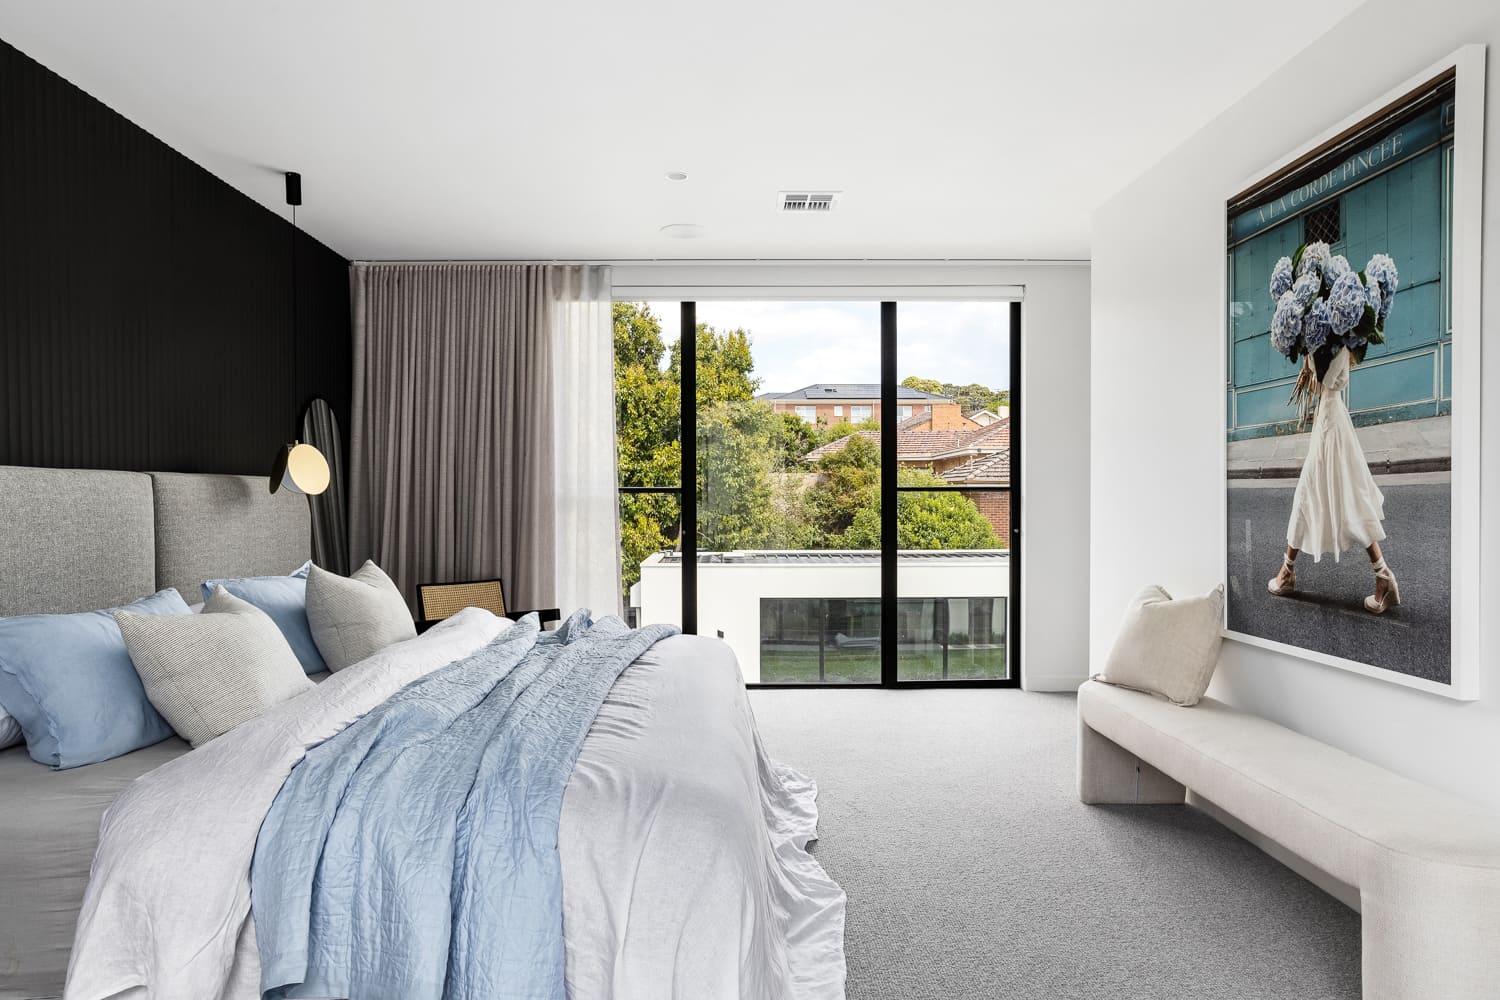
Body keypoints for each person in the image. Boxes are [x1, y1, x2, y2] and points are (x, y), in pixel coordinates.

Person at [1266, 345, 1399, 613]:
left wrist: (1311, 353)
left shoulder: (1335, 338)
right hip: (1330, 420)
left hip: (1331, 427)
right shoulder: (1333, 336)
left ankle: (1287, 573)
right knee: (1348, 498)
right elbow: (1324, 384)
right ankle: (1383, 576)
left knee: (1308, 495)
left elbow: (1331, 380)